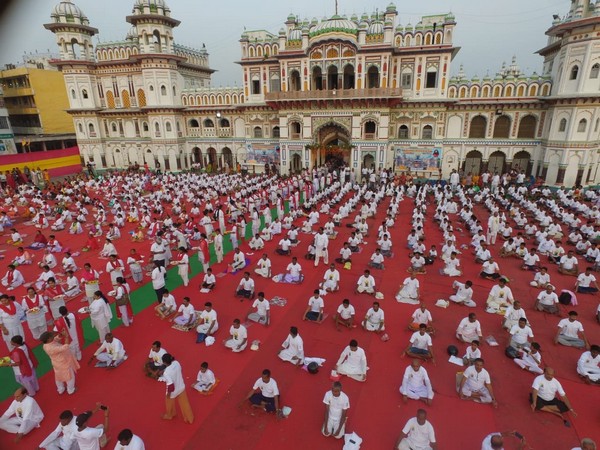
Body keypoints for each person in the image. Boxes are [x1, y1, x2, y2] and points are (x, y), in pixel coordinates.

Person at [40, 330, 79, 395]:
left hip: (57, 363)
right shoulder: (51, 348)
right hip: (63, 362)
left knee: (58, 377)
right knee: (70, 376)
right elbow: (65, 347)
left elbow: (55, 339)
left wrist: (60, 335)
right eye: (51, 336)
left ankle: (61, 389)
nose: (53, 336)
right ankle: (71, 390)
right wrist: (66, 337)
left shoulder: (46, 344)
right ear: (49, 339)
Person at [159, 353, 194, 423]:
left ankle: (170, 415)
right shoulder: (177, 363)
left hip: (173, 392)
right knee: (185, 404)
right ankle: (190, 418)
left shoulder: (166, 373)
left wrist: (168, 394)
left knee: (169, 404)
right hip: (181, 387)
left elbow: (171, 385)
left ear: (164, 362)